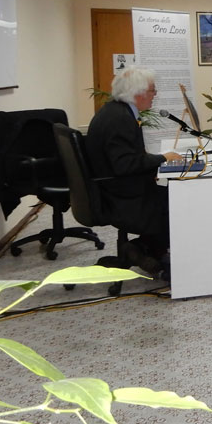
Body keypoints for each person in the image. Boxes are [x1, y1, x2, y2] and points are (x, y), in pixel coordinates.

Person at [85, 66, 183, 275]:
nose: (154, 95)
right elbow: (124, 164)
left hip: (112, 189)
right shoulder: (120, 119)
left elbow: (123, 160)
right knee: (179, 200)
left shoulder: (114, 111)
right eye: (152, 90)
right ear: (137, 93)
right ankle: (145, 250)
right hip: (122, 197)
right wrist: (163, 158)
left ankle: (144, 250)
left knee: (169, 194)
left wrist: (154, 164)